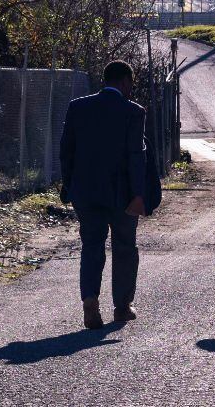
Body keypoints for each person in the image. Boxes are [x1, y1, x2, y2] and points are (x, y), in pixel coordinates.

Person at [59, 59, 149, 329]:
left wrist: (69, 185)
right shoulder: (134, 112)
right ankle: (122, 306)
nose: (131, 89)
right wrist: (139, 194)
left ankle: (90, 299)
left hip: (85, 193)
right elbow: (136, 156)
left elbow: (66, 151)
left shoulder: (78, 107)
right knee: (124, 248)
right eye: (131, 84)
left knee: (91, 247)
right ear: (125, 82)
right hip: (123, 195)